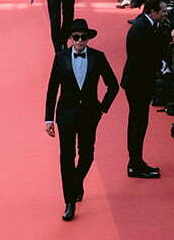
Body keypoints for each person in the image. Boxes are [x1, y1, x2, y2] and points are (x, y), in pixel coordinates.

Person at [43, 18, 118, 221]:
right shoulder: (60, 58)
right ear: (70, 39)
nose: (79, 41)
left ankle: (76, 183)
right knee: (66, 158)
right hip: (65, 116)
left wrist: (102, 108)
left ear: (88, 38)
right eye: (75, 37)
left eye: (83, 37)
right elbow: (52, 89)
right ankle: (70, 202)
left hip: (89, 115)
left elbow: (113, 85)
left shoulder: (98, 57)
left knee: (87, 155)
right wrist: (48, 119)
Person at [122, 0, 168, 178]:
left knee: (139, 123)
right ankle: (135, 164)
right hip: (138, 83)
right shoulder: (140, 29)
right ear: (153, 11)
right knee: (138, 124)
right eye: (163, 11)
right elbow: (142, 59)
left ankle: (136, 162)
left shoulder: (146, 25)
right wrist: (160, 67)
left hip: (139, 81)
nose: (165, 14)